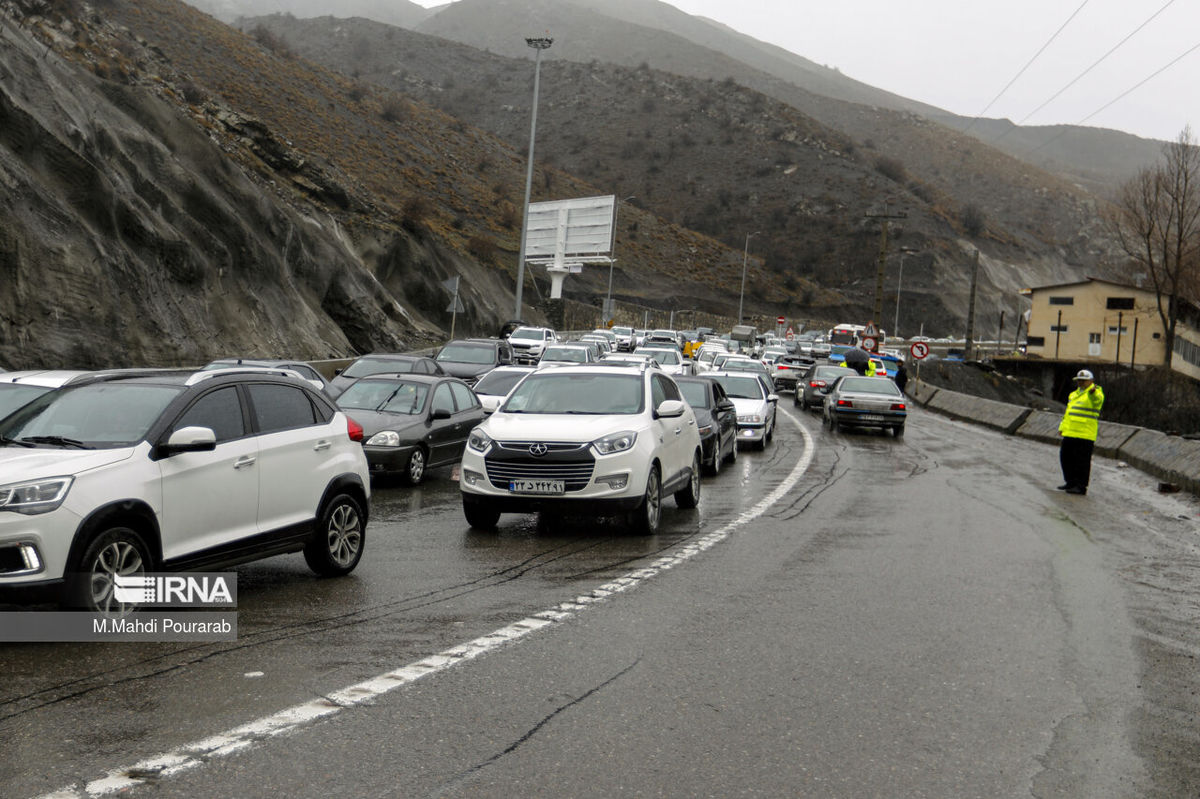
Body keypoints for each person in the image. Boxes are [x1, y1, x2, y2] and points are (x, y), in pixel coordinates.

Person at [1058, 369, 1104, 495]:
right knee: (1065, 457)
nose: (1081, 383)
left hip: (1085, 433)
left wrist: (1092, 392)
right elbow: (1068, 413)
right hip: (1070, 432)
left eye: (1084, 381)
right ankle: (1071, 482)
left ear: (1091, 381)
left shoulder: (1096, 393)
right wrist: (1062, 427)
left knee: (1082, 461)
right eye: (1079, 381)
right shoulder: (1073, 394)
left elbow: (1097, 400)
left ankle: (1081, 486)